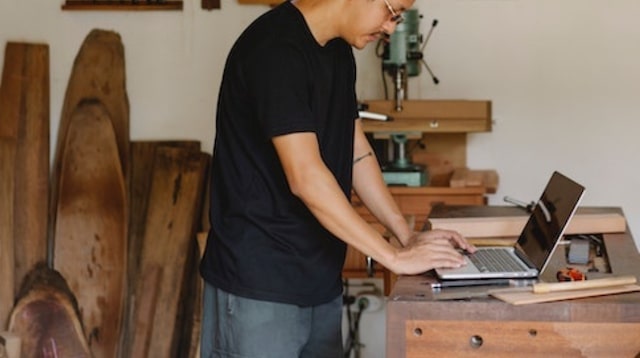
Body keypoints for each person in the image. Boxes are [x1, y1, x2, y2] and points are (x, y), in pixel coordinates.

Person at [199, 0, 476, 357]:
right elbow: (306, 177)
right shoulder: (274, 50)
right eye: (392, 11)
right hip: (259, 286)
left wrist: (406, 236)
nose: (391, 28)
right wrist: (392, 258)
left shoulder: (340, 52)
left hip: (319, 279)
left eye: (400, 17)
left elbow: (357, 152)